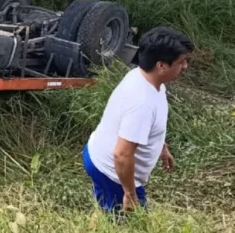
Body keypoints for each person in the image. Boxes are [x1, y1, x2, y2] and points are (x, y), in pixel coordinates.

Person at [82, 26, 195, 214]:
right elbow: (122, 155)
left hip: (98, 153)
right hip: (111, 171)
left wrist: (161, 146)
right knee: (130, 224)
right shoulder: (141, 102)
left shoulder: (145, 78)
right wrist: (130, 193)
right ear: (161, 65)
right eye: (181, 62)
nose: (185, 66)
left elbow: (148, 126)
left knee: (105, 209)